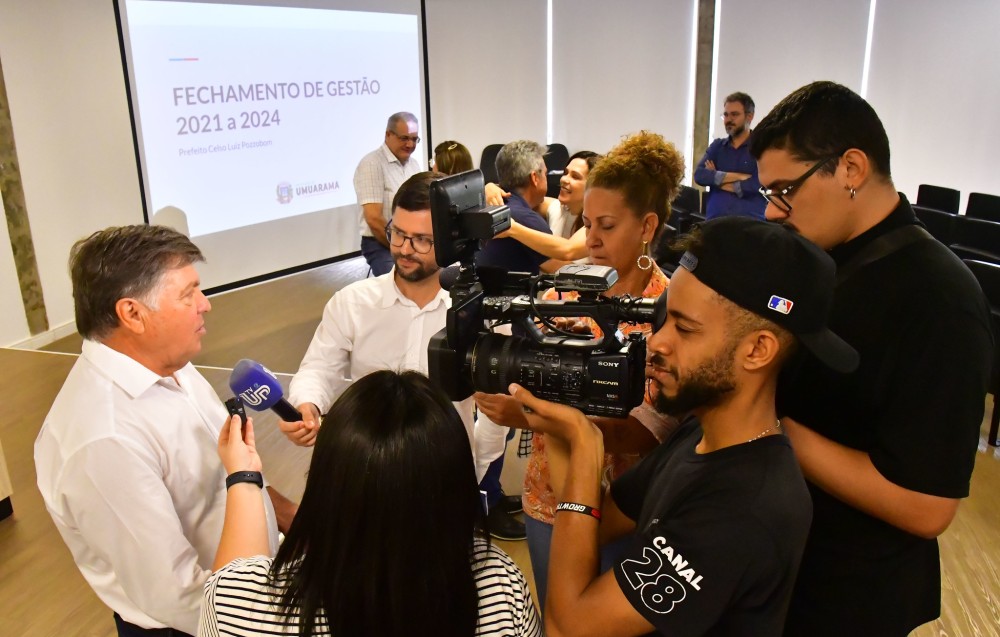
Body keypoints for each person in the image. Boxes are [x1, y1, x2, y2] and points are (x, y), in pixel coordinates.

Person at [507, 216, 859, 636]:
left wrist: (586, 441)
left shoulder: (745, 507)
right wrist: (562, 414)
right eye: (664, 319)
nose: (657, 342)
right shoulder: (699, 434)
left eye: (685, 329)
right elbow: (592, 524)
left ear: (758, 350)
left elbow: (569, 626)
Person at [749, 81, 993, 636]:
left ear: (852, 168)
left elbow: (927, 507)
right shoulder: (819, 260)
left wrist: (768, 422)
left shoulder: (939, 300)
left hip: (848, 592)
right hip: (781, 559)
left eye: (785, 189)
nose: (771, 211)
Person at [34, 225, 294, 637]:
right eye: (188, 294)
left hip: (252, 589)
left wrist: (284, 516)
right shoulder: (104, 441)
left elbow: (221, 478)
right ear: (132, 314)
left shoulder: (170, 364)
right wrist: (274, 619)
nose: (205, 305)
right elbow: (177, 595)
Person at [476, 131, 683, 608]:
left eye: (606, 226)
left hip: (627, 508)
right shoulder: (559, 297)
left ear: (647, 225)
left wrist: (527, 415)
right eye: (587, 222)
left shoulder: (670, 312)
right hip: (549, 499)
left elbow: (649, 434)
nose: (589, 239)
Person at [201, 370, 541, 637]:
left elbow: (232, 580)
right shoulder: (500, 585)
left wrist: (243, 475)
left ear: (325, 482)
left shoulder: (242, 606)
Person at [278, 171, 475, 454]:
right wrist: (307, 404)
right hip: (368, 464)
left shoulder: (474, 309)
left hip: (449, 465)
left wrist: (478, 463)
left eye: (422, 240)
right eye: (398, 234)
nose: (405, 250)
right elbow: (318, 369)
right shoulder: (352, 303)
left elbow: (498, 408)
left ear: (451, 242)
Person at [476, 140, 563, 275]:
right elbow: (561, 268)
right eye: (545, 174)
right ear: (535, 178)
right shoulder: (525, 218)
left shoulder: (493, 206)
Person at [496, 151, 601, 262]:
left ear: (592, 187)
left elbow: (568, 251)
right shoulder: (557, 208)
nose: (563, 179)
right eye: (565, 173)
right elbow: (522, 196)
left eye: (575, 177)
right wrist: (491, 188)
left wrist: (512, 229)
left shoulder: (596, 224)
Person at [354, 111, 423, 276]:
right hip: (380, 243)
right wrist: (399, 247)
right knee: (399, 283)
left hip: (411, 240)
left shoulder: (413, 164)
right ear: (388, 135)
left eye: (414, 139)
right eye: (404, 138)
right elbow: (373, 218)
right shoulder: (372, 164)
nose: (410, 144)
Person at [693, 92, 766, 220]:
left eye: (734, 114)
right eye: (726, 115)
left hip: (750, 225)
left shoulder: (761, 148)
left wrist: (717, 179)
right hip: (715, 223)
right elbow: (700, 175)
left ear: (749, 116)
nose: (728, 120)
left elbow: (759, 183)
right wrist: (738, 177)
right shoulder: (717, 146)